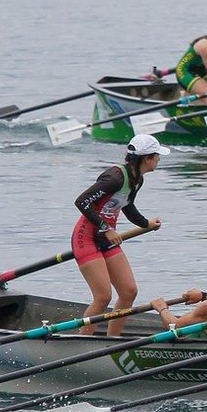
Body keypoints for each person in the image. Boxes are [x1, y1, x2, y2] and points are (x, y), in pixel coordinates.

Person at [73, 134, 166, 336]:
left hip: (107, 240)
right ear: (147, 158)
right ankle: (82, 341)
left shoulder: (137, 179)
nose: (159, 159)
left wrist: (146, 224)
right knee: (103, 297)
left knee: (128, 292)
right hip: (86, 238)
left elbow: (127, 206)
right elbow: (81, 202)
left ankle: (113, 341)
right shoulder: (114, 177)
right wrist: (106, 229)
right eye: (157, 155)